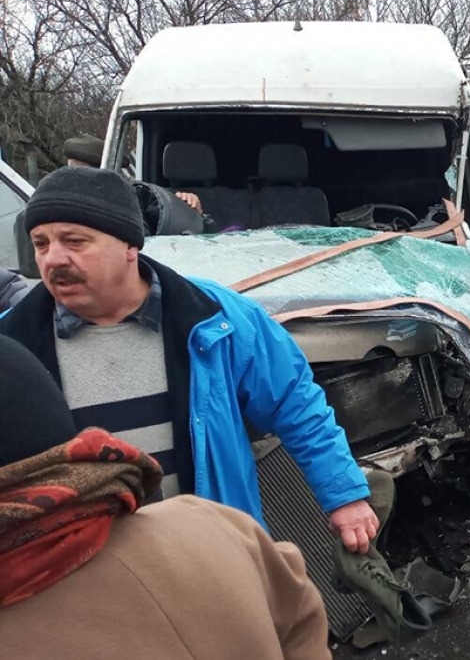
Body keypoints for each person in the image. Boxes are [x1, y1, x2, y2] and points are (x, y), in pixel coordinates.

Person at [0, 166, 378, 553]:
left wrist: (344, 498)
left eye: (74, 241)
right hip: (79, 574)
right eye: (41, 243)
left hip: (213, 556)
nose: (53, 258)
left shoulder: (217, 318)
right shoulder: (13, 348)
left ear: (130, 245)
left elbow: (294, 404)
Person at [0, 335, 332, 660]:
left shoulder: (209, 316)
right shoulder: (214, 524)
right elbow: (299, 616)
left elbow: (295, 402)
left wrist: (345, 496)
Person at [63, 134, 204, 214]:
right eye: (71, 171)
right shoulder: (60, 207)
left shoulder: (138, 200)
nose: (75, 181)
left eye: (83, 172)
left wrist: (190, 210)